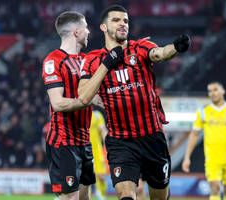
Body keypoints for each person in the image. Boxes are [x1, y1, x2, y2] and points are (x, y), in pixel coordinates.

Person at [77, 5, 190, 200]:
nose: (123, 24)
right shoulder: (92, 60)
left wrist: (176, 47)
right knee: (126, 195)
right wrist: (107, 64)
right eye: (116, 20)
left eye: (126, 21)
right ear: (103, 27)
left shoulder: (139, 48)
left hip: (152, 137)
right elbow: (83, 96)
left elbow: (160, 53)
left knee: (159, 196)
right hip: (121, 141)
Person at [42, 11, 102, 200]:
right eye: (85, 28)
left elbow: (91, 95)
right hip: (64, 142)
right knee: (70, 198)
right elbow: (57, 103)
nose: (89, 32)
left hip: (84, 143)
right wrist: (85, 100)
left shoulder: (85, 61)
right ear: (76, 32)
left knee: (85, 197)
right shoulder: (53, 60)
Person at [182, 81, 226, 200]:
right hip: (212, 159)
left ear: (223, 91)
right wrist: (187, 157)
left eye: (215, 90)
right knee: (215, 187)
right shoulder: (203, 112)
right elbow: (194, 135)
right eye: (209, 91)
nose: (212, 93)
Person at [90, 108, 108, 200]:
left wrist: (107, 143)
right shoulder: (80, 114)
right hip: (84, 149)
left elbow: (103, 130)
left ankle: (102, 194)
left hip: (97, 150)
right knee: (85, 177)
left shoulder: (97, 115)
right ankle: (95, 194)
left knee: (101, 176)